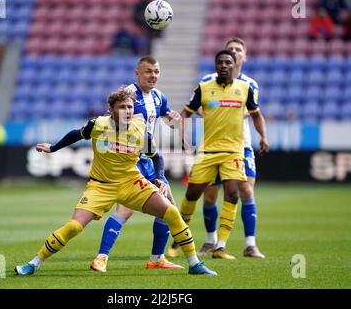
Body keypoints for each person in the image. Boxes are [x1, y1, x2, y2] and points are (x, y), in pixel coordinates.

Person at [14, 86, 216, 276]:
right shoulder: (98, 125)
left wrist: (161, 178)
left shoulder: (139, 129)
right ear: (110, 109)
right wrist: (53, 148)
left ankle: (194, 264)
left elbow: (156, 156)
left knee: (171, 212)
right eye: (122, 107)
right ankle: (33, 264)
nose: (127, 111)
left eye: (130, 107)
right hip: (100, 186)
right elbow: (77, 134)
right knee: (74, 226)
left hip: (131, 183)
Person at [168, 48, 269, 260]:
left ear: (234, 66)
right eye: (220, 62)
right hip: (207, 152)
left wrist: (263, 136)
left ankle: (220, 246)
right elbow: (186, 111)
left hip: (234, 151)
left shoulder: (245, 88)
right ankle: (178, 237)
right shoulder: (204, 88)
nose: (223, 65)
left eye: (227, 62)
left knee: (233, 194)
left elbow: (256, 114)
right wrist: (184, 134)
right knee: (192, 195)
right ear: (215, 66)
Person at [90, 56, 183, 273]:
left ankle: (157, 259)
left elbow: (168, 118)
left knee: (169, 208)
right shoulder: (128, 96)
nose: (153, 76)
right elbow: (109, 122)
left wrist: (174, 120)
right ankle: (101, 257)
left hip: (149, 160)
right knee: (125, 210)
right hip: (131, 161)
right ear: (137, 73)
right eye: (148, 71)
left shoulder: (159, 97)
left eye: (157, 71)